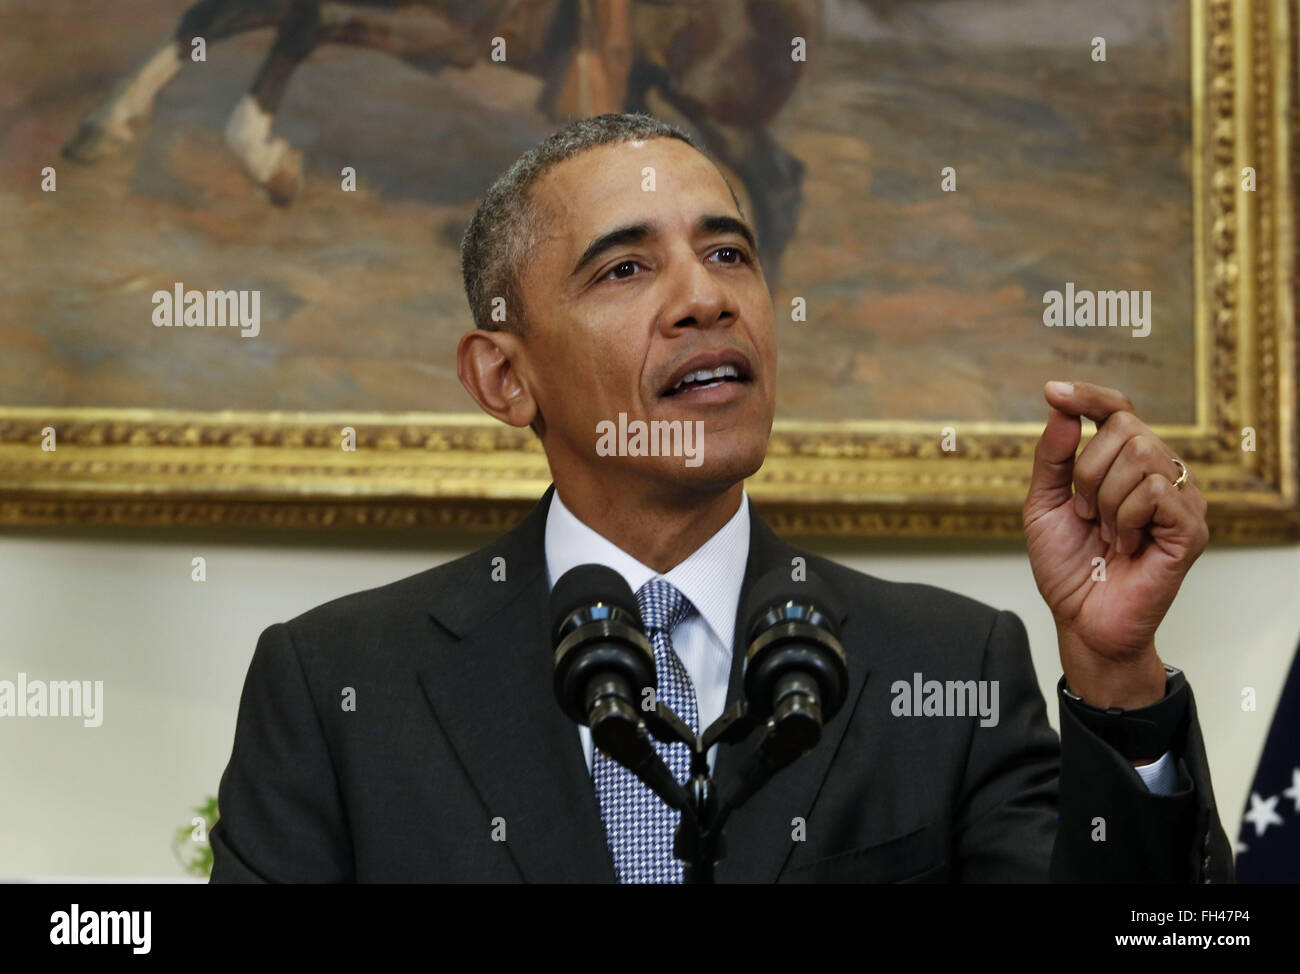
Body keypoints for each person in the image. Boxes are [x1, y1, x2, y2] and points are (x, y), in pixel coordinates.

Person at [209, 112, 1232, 883]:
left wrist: (1116, 674)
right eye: (623, 267)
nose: (707, 297)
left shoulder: (947, 665)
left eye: (728, 251)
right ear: (503, 377)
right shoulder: (338, 687)